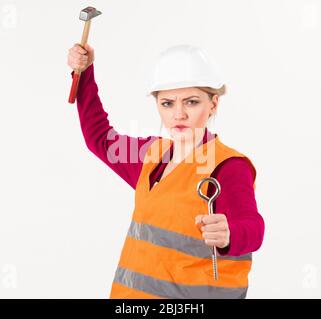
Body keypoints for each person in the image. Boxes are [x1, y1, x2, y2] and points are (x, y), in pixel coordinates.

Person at [67, 43, 265, 299]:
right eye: (168, 103)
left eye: (191, 102)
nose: (178, 114)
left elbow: (253, 226)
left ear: (213, 104)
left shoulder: (227, 165)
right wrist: (84, 74)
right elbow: (100, 138)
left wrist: (230, 234)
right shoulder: (151, 154)